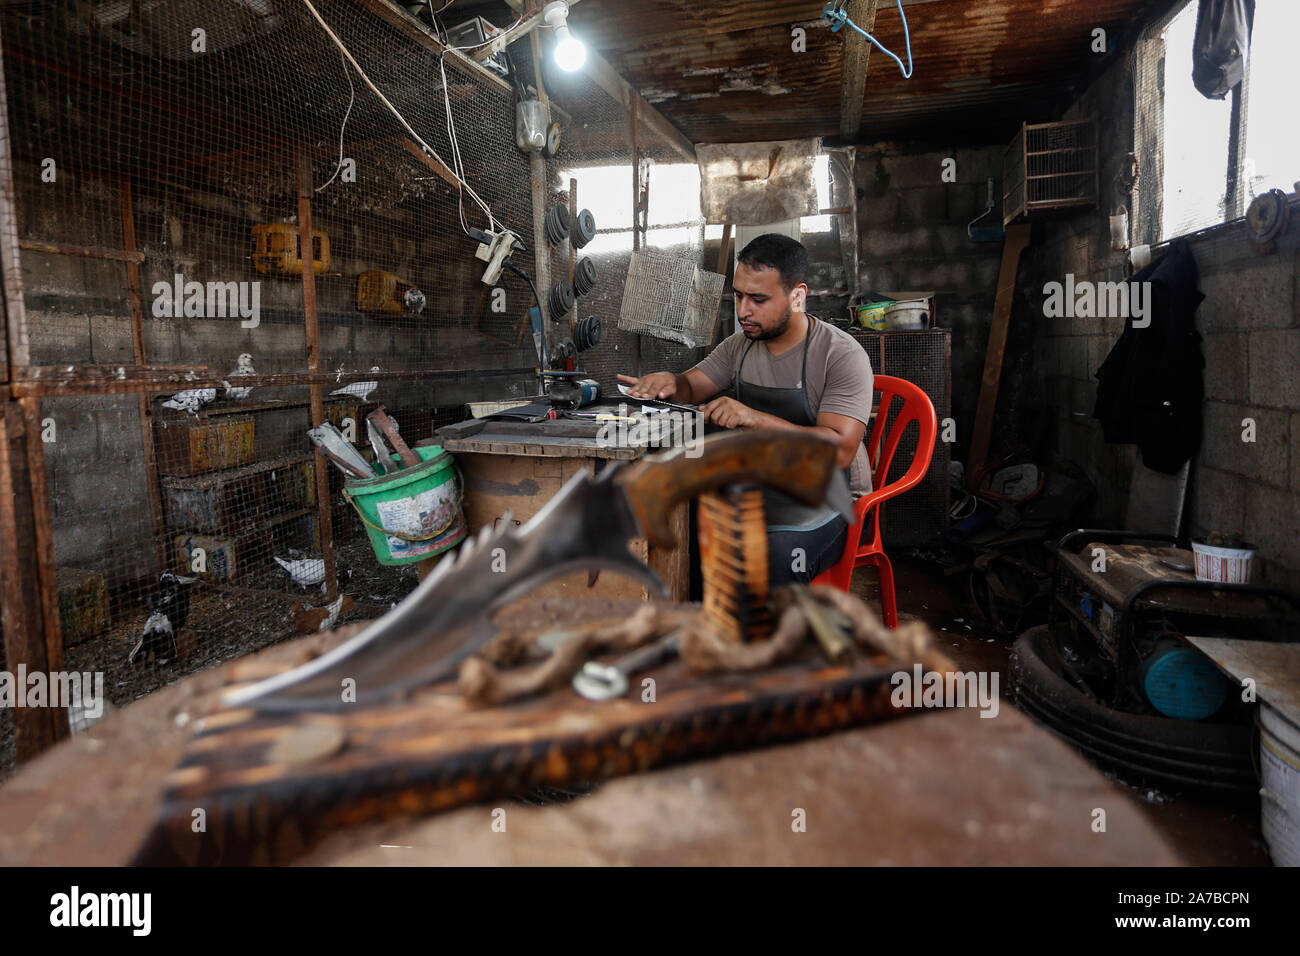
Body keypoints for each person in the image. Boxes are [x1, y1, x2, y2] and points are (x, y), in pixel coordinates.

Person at [619, 233, 874, 584]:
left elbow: (839, 453)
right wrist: (671, 383)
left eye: (758, 299)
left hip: (830, 501)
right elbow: (693, 386)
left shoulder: (839, 355)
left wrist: (753, 418)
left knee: (774, 557)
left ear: (797, 296)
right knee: (676, 521)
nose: (743, 311)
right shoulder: (739, 346)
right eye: (738, 296)